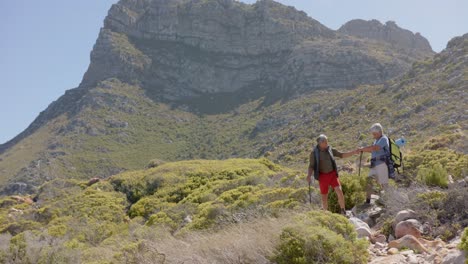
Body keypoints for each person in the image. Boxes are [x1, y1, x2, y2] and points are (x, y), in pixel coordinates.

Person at [306, 134, 360, 215]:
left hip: (332, 174)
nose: (327, 143)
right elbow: (311, 166)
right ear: (320, 143)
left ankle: (343, 210)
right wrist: (309, 175)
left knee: (339, 191)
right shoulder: (314, 153)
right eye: (325, 142)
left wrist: (353, 152)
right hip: (322, 176)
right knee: (324, 197)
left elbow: (341, 154)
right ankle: (325, 214)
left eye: (327, 141)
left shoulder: (330, 149)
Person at [358, 123, 390, 204]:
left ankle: (390, 201)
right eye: (373, 134)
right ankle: (367, 201)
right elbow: (372, 149)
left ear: (380, 132)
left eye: (375, 134)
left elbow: (375, 148)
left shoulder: (383, 139)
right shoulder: (376, 140)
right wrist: (362, 149)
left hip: (382, 164)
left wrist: (363, 149)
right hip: (374, 165)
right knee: (369, 181)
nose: (373, 135)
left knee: (384, 184)